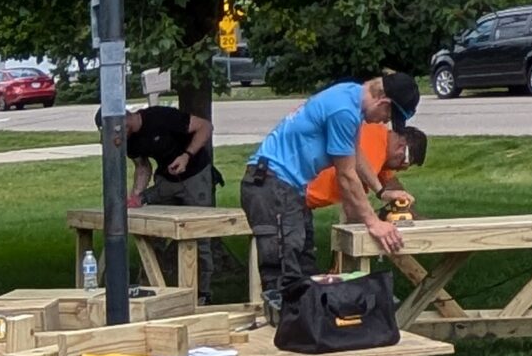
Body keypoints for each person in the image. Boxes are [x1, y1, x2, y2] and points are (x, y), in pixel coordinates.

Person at [239, 73, 417, 305]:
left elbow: (355, 153)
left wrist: (381, 191)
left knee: (305, 270)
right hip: (271, 186)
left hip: (288, 189)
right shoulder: (343, 110)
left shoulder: (350, 96)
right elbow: (346, 176)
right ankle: (285, 324)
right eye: (389, 115)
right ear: (383, 102)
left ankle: (307, 322)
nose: (385, 122)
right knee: (284, 277)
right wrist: (374, 223)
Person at [124, 102, 218, 298]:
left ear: (125, 121)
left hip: (195, 175)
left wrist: (186, 156)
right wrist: (135, 196)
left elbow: (205, 126)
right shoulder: (130, 142)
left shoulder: (160, 116)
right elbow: (142, 167)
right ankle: (152, 289)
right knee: (153, 230)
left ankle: (202, 294)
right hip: (166, 179)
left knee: (199, 234)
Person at [303, 120, 427, 218]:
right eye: (403, 163)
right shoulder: (375, 153)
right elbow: (352, 200)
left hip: (300, 195)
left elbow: (391, 184)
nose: (399, 170)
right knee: (295, 240)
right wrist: (375, 223)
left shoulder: (378, 137)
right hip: (299, 195)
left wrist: (412, 214)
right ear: (401, 149)